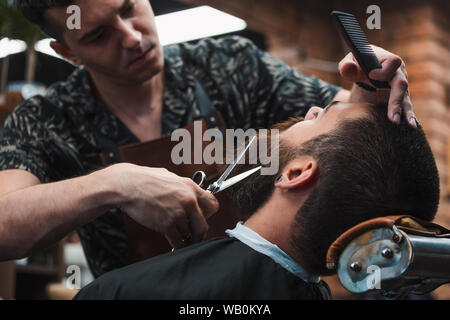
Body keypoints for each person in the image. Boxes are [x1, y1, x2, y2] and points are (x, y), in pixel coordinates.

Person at [0, 0, 415, 278]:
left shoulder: (231, 66)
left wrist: (371, 92)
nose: (131, 36)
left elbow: (347, 124)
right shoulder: (45, 119)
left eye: (129, 9)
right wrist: (112, 183)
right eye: (97, 35)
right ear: (67, 51)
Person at [74, 101, 440, 299]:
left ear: (296, 173)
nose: (311, 108)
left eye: (324, 113)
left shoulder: (118, 293)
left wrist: (110, 183)